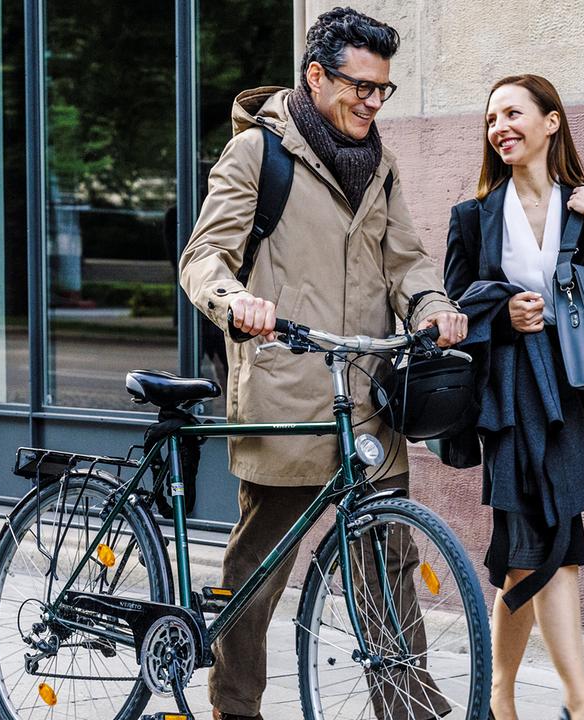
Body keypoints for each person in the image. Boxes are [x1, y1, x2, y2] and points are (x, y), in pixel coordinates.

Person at [179, 7, 468, 720]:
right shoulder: (257, 155)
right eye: (360, 85)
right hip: (286, 394)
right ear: (315, 75)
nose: (372, 100)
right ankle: (234, 707)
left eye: (383, 89)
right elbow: (202, 258)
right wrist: (236, 301)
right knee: (259, 571)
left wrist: (433, 306)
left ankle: (409, 709)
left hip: (366, 396)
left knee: (390, 568)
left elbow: (407, 263)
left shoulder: (381, 166)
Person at [443, 74, 584, 720]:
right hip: (507, 399)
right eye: (490, 119)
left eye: (512, 113)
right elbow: (452, 309)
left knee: (523, 550)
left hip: (569, 396)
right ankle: (580, 701)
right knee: (553, 537)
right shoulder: (473, 217)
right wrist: (506, 313)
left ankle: (498, 696)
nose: (499, 127)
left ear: (551, 122)